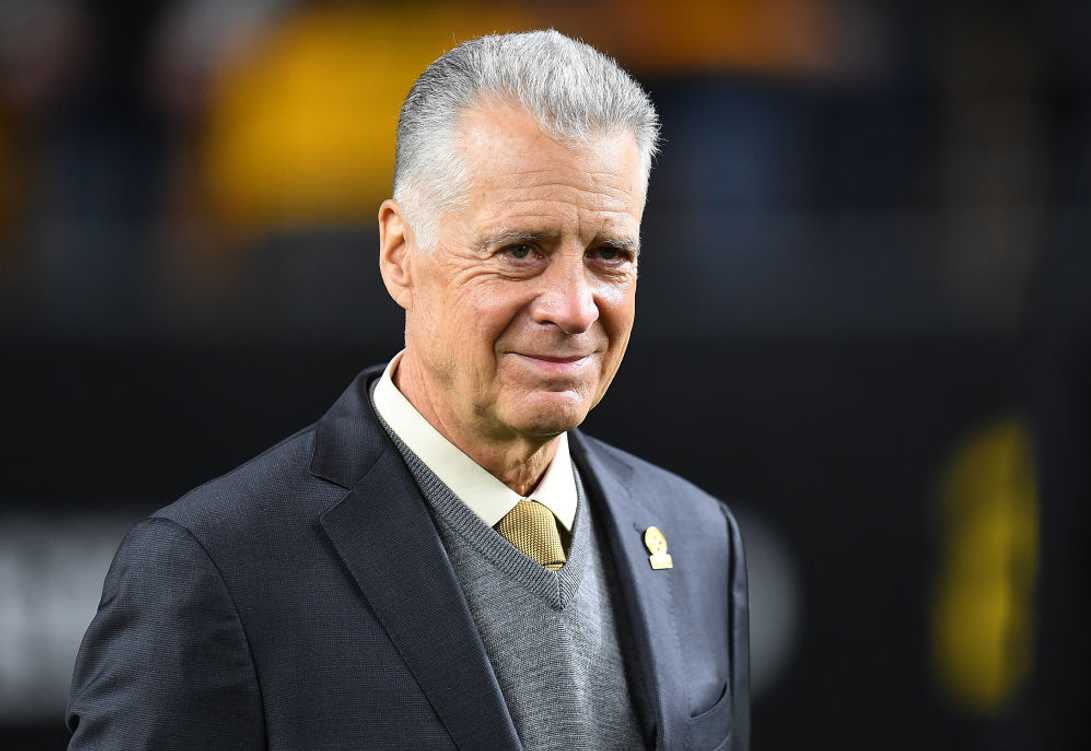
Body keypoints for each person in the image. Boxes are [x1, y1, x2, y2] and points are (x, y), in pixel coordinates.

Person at [67, 30, 749, 751]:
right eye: (521, 250)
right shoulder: (211, 571)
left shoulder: (699, 539)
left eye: (610, 254)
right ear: (400, 255)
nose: (575, 307)